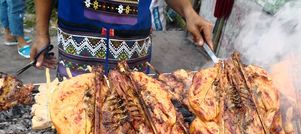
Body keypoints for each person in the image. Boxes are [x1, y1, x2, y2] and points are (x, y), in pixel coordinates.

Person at [30, 0, 213, 77]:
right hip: (78, 42)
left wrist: (189, 12)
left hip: (132, 45)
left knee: (131, 113)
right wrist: (41, 34)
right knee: (76, 115)